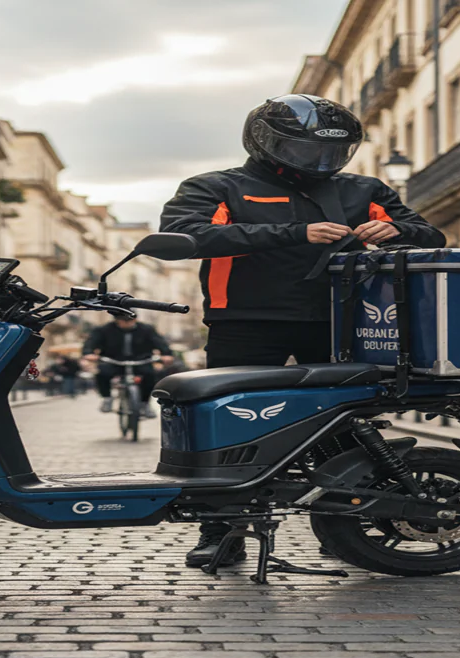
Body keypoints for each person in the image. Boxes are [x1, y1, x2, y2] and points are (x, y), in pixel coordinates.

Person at [159, 94, 445, 568]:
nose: (320, 160)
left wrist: (399, 231)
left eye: (331, 151)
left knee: (344, 424)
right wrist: (295, 231)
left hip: (340, 321)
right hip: (246, 321)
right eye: (307, 149)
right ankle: (222, 532)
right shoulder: (217, 186)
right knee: (227, 425)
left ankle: (349, 526)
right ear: (265, 142)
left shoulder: (364, 190)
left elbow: (431, 236)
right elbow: (184, 237)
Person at [81, 314, 174, 417]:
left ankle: (145, 404)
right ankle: (107, 398)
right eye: (123, 320)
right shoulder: (104, 329)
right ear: (117, 320)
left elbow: (160, 342)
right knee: (102, 373)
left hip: (140, 361)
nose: (127, 323)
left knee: (149, 375)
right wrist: (88, 353)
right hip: (114, 361)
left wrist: (166, 354)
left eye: (130, 320)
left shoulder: (147, 329)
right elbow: (91, 342)